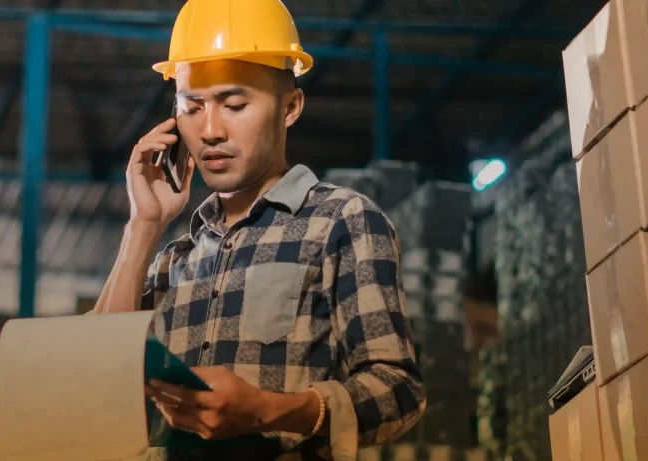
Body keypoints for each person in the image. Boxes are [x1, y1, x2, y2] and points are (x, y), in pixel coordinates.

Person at [90, 0, 426, 459]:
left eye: (234, 104)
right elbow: (95, 381)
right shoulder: (175, 259)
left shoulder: (341, 222)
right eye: (191, 107)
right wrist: (143, 225)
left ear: (290, 107)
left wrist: (269, 410)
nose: (209, 130)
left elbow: (399, 391)